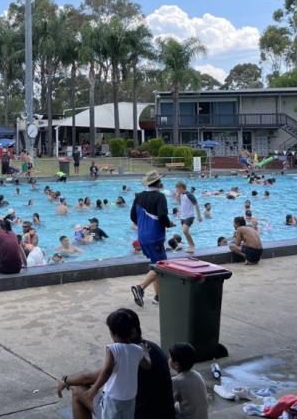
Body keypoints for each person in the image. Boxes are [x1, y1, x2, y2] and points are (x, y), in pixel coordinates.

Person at [58, 308, 175, 419]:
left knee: (78, 390)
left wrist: (65, 380)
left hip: (134, 413)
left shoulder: (118, 351)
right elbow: (147, 366)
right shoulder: (151, 349)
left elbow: (88, 378)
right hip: (163, 414)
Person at [130, 171, 172, 307]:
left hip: (142, 236)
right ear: (158, 183)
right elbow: (162, 215)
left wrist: (143, 224)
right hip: (155, 236)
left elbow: (133, 217)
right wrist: (168, 224)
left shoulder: (138, 196)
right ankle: (140, 287)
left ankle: (158, 297)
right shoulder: (160, 197)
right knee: (162, 265)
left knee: (156, 263)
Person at [169, 343, 208, 419]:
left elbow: (167, 404)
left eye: (170, 357)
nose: (168, 359)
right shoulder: (197, 374)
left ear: (176, 364)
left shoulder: (176, 381)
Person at [174, 182, 200, 253]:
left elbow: (196, 204)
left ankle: (193, 246)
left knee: (185, 231)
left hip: (190, 216)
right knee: (186, 232)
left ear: (181, 188)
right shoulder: (181, 195)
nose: (176, 190)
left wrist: (199, 216)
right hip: (183, 217)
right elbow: (178, 203)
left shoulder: (189, 195)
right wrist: (177, 196)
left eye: (177, 188)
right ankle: (190, 245)